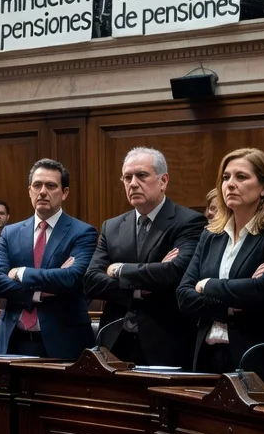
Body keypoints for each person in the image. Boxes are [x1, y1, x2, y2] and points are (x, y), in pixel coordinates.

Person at [176, 148, 264, 384]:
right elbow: (183, 295)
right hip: (208, 356)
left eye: (241, 177)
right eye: (226, 178)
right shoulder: (210, 235)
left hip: (259, 360)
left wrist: (206, 285)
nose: (230, 184)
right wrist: (228, 306)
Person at [83, 147, 205, 366]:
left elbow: (174, 273)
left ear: (163, 180)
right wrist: (140, 287)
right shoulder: (112, 227)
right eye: (127, 177)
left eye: (141, 175)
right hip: (115, 341)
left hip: (166, 341)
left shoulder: (189, 222)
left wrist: (118, 270)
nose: (133, 183)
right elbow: (91, 280)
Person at [0, 159, 99, 359]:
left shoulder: (83, 233)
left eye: (51, 186)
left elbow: (72, 279)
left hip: (63, 343)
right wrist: (38, 293)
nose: (42, 192)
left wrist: (20, 273)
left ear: (64, 193)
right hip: (13, 340)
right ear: (29, 190)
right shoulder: (10, 233)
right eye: (37, 185)